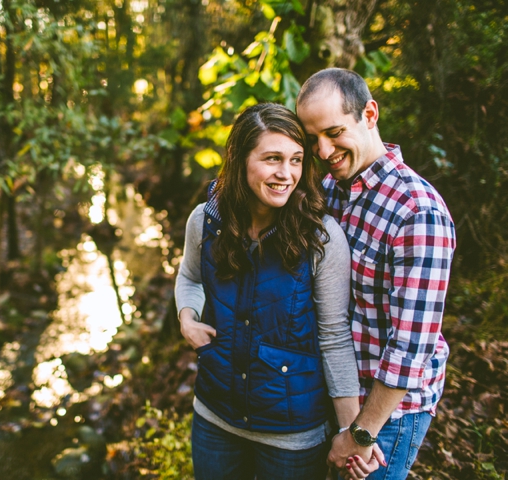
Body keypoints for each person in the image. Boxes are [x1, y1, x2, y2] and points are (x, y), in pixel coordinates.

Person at [175, 103, 383, 480]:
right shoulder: (206, 221)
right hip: (214, 419)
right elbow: (189, 277)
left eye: (296, 160)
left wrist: (351, 434)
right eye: (272, 158)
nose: (286, 174)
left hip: (292, 437)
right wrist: (187, 317)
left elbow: (334, 337)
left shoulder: (322, 237)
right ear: (240, 160)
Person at [296, 68, 457, 480]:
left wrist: (361, 433)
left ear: (369, 113)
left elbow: (410, 347)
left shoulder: (419, 213)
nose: (323, 149)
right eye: (313, 139)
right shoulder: (331, 190)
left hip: (388, 414)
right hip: (337, 395)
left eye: (333, 132)